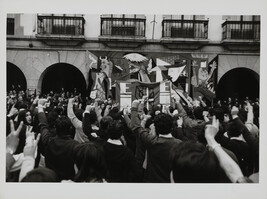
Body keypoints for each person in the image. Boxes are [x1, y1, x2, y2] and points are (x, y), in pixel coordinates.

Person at [131, 100, 182, 183]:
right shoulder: (180, 144)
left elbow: (136, 127)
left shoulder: (151, 141)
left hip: (153, 183)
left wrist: (134, 108)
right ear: (172, 127)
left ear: (155, 128)